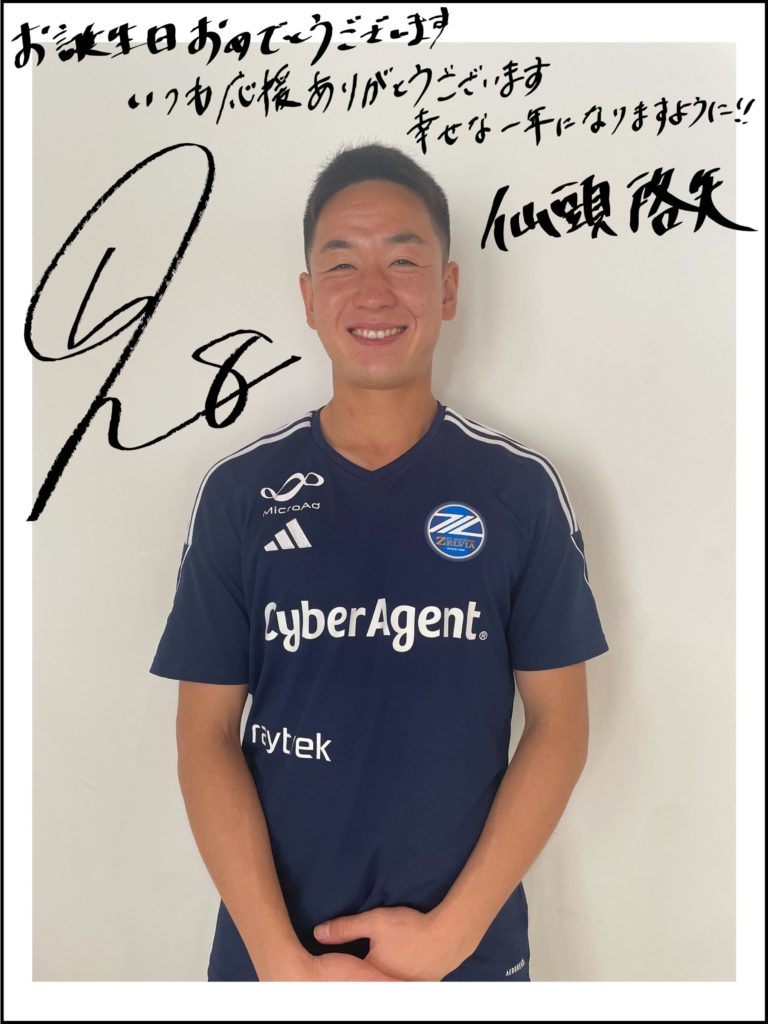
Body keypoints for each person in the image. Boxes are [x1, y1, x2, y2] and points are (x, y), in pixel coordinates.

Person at [149, 142, 610, 982]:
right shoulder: (239, 495)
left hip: (467, 956)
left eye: (403, 260)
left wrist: (449, 938)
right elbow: (204, 735)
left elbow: (560, 725)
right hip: (273, 960)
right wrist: (283, 965)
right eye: (341, 264)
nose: (373, 292)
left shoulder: (519, 492)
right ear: (308, 297)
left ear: (448, 288)